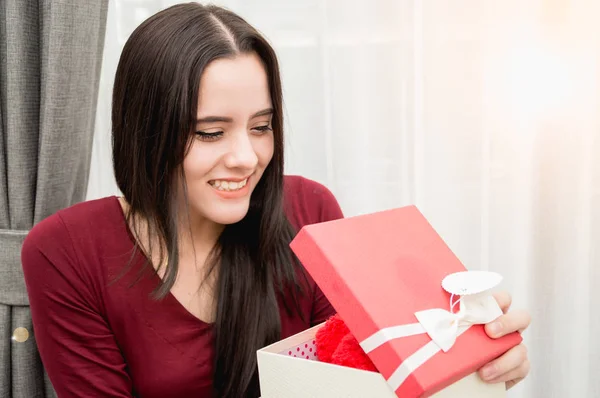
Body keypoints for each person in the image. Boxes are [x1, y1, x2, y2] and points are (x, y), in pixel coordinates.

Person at [20, 3, 531, 398]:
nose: (247, 157)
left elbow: (356, 372)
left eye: (262, 127)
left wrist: (464, 357)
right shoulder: (66, 250)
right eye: (210, 132)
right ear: (146, 131)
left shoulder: (308, 210)